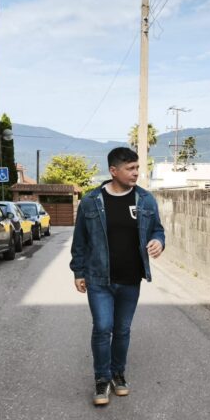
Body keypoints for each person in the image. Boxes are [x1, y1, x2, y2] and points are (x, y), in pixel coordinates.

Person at [70, 147, 166, 406]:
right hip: (99, 279)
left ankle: (117, 374)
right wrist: (78, 271)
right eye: (130, 168)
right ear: (114, 171)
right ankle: (102, 379)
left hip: (131, 279)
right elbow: (80, 240)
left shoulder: (145, 200)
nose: (136, 173)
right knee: (103, 328)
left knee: (122, 330)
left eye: (137, 168)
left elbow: (158, 229)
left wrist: (158, 241)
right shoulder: (91, 201)